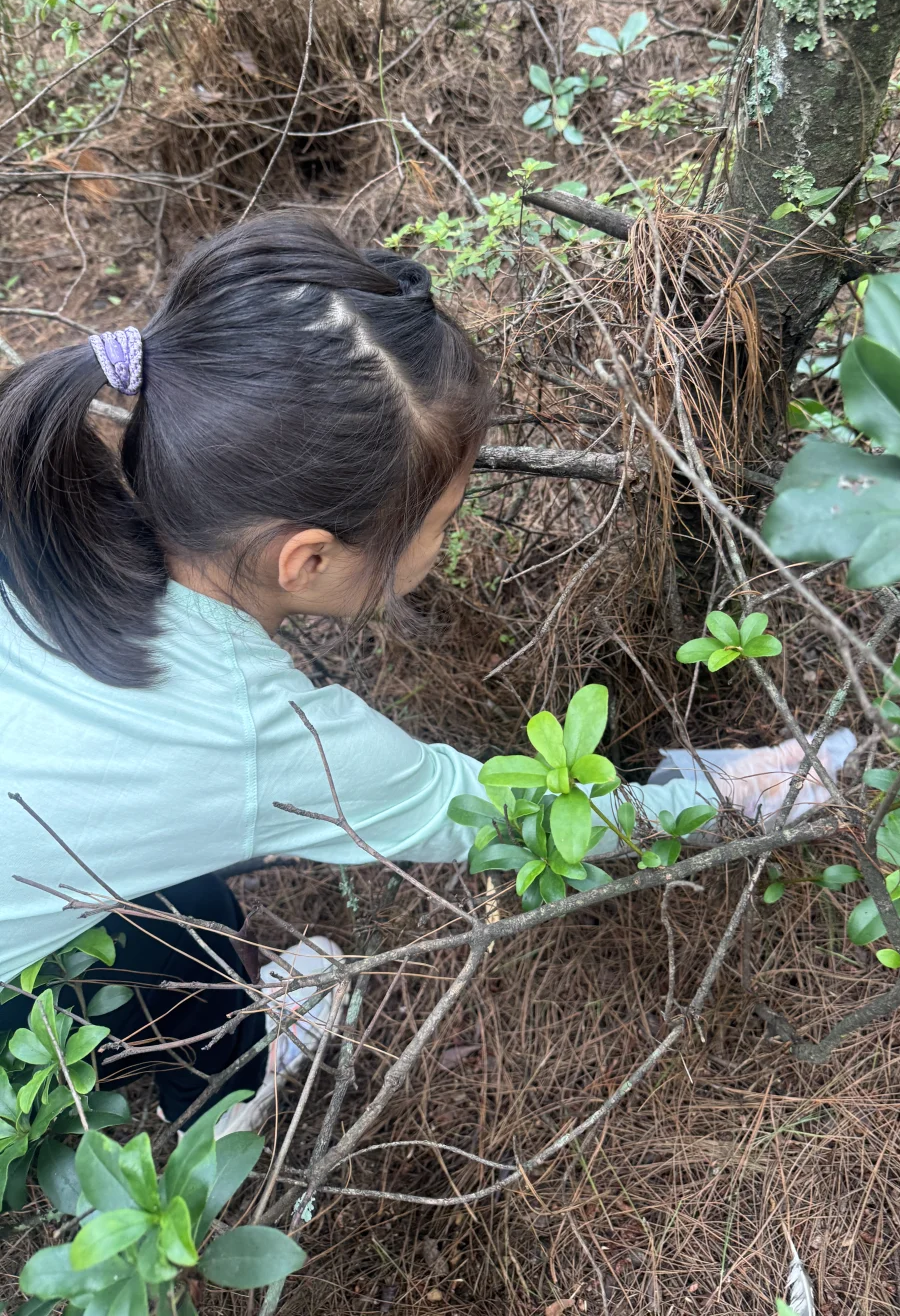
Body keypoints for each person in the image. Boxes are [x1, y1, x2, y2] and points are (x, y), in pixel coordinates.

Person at [0, 215, 848, 1133]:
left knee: (176, 892)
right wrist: (726, 799)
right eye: (442, 521)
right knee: (181, 915)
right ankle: (227, 1094)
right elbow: (506, 818)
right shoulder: (260, 737)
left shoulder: (38, 508)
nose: (445, 540)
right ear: (307, 559)